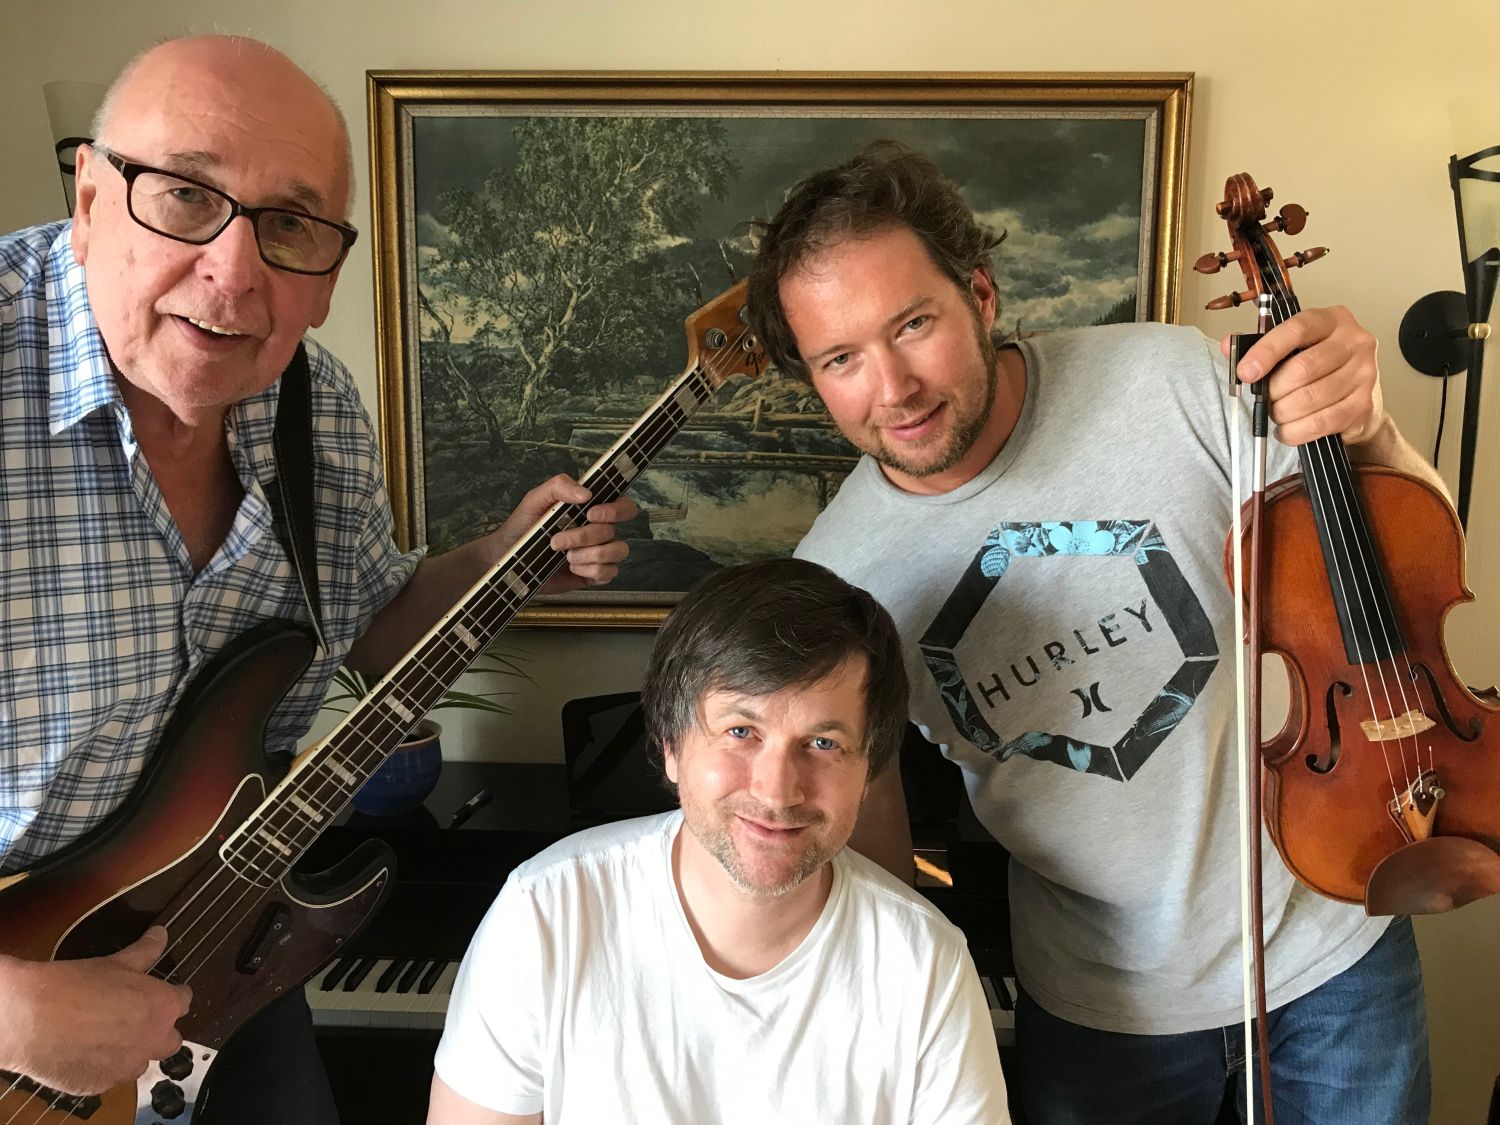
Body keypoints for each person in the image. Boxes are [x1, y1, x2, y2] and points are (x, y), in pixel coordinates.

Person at [0, 35, 635, 1123]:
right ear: (91, 199)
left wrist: (504, 558)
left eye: (289, 225)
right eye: (186, 195)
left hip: (225, 950)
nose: (233, 271)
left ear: (330, 275)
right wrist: (9, 1012)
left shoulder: (317, 407)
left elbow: (375, 632)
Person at [746, 142, 1441, 1124]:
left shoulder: (1172, 378)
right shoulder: (837, 576)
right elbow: (874, 825)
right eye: (840, 359)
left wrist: (1366, 425)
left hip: (1330, 946)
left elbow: (1398, 569)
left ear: (980, 295)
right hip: (1098, 1008)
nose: (891, 386)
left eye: (913, 324)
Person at [427, 557, 1011, 1124]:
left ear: (867, 772)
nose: (777, 791)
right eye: (740, 731)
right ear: (670, 747)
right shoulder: (545, 910)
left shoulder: (925, 961)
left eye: (823, 744)